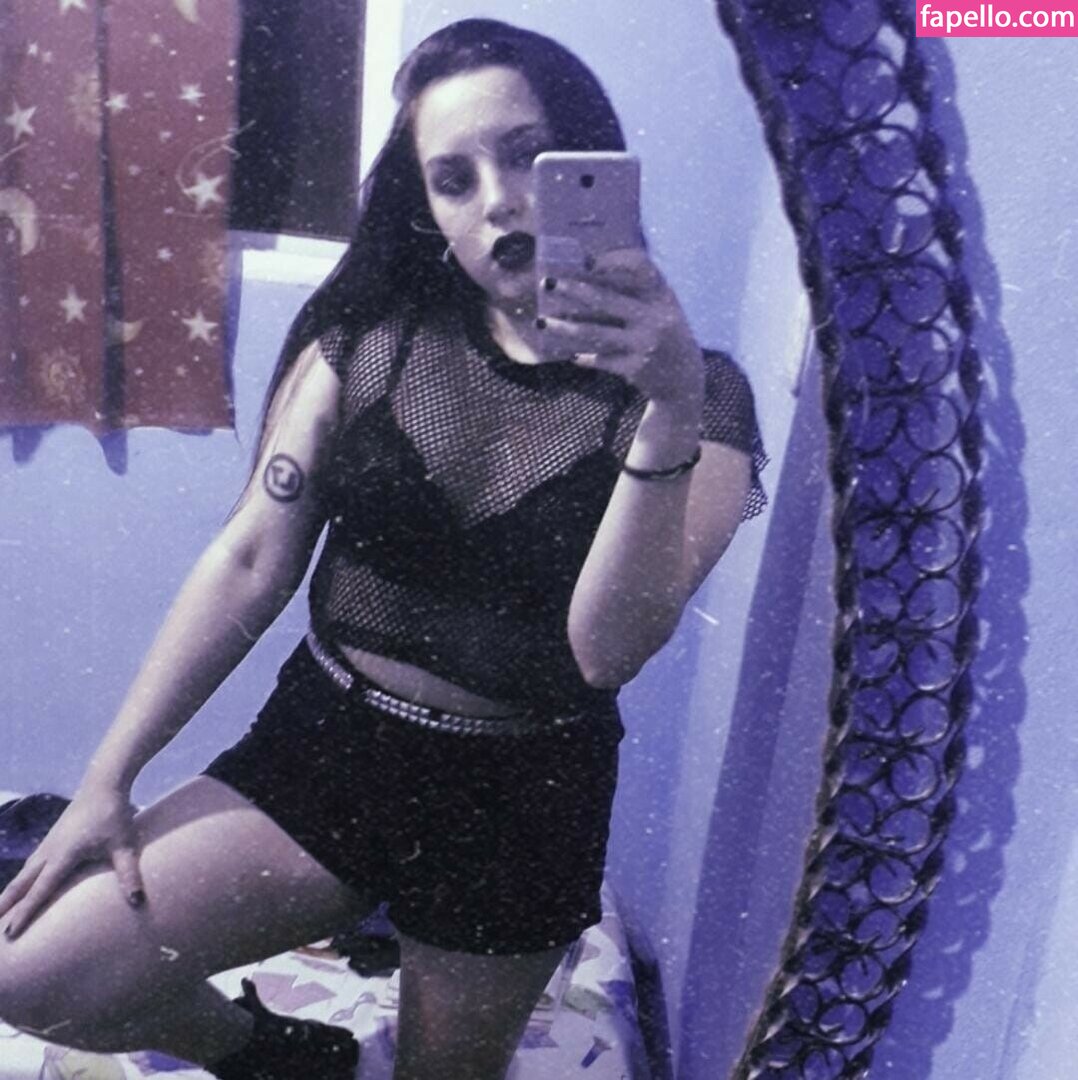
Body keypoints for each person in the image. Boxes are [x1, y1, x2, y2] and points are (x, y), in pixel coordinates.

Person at [0, 17, 766, 1080]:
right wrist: (105, 780)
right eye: (453, 179)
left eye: (529, 156)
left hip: (522, 794)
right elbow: (248, 563)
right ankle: (270, 1051)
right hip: (329, 747)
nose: (497, 200)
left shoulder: (704, 398)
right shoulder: (364, 339)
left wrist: (665, 408)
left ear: (591, 162)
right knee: (29, 971)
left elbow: (605, 651)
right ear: (428, 208)